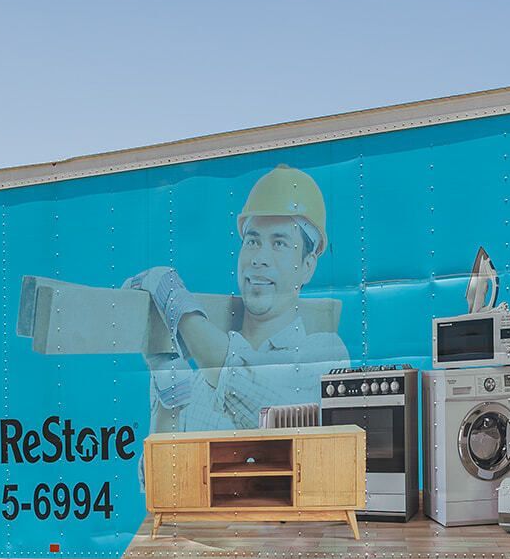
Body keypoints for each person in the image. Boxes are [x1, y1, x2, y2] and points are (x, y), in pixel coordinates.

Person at [129, 164, 350, 432]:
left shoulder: (324, 353)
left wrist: (176, 304)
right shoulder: (198, 377)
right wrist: (167, 381)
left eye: (279, 243)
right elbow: (162, 459)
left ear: (307, 266)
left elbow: (265, 408)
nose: (259, 258)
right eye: (252, 241)